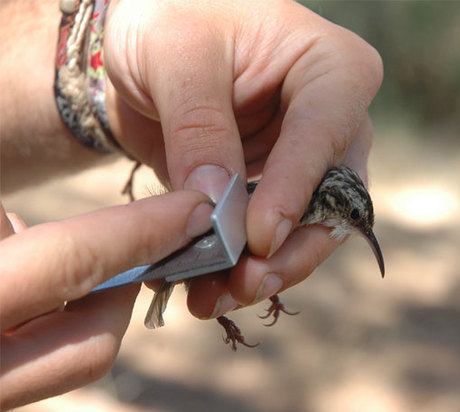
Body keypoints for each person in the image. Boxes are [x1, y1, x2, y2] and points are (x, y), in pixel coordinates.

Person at [0, 0, 382, 408]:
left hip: (189, 231)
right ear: (336, 202)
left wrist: (105, 63)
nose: (359, 231)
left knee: (227, 273)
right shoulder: (295, 209)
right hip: (193, 227)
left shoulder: (295, 213)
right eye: (356, 219)